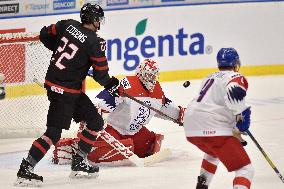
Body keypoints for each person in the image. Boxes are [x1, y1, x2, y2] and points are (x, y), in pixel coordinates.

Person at [15, 3, 119, 186]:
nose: (99, 23)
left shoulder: (67, 24)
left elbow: (44, 34)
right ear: (94, 20)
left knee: (95, 122)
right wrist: (112, 84)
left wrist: (66, 55)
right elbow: (102, 75)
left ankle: (79, 162)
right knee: (53, 133)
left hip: (62, 88)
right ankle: (26, 169)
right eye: (98, 19)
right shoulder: (95, 42)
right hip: (66, 93)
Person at [52, 58, 185, 164]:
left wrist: (184, 116)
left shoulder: (157, 92)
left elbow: (166, 108)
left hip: (134, 131)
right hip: (113, 128)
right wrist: (93, 115)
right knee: (117, 149)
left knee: (151, 144)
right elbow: (103, 103)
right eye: (148, 75)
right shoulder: (127, 85)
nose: (151, 79)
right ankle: (75, 149)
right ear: (140, 73)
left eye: (153, 76)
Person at [183, 48, 254, 189]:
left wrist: (238, 133)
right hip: (214, 126)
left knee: (212, 152)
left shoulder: (209, 77)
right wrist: (242, 117)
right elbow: (233, 91)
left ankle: (201, 186)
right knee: (245, 169)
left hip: (190, 126)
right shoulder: (235, 77)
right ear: (235, 64)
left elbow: (217, 106)